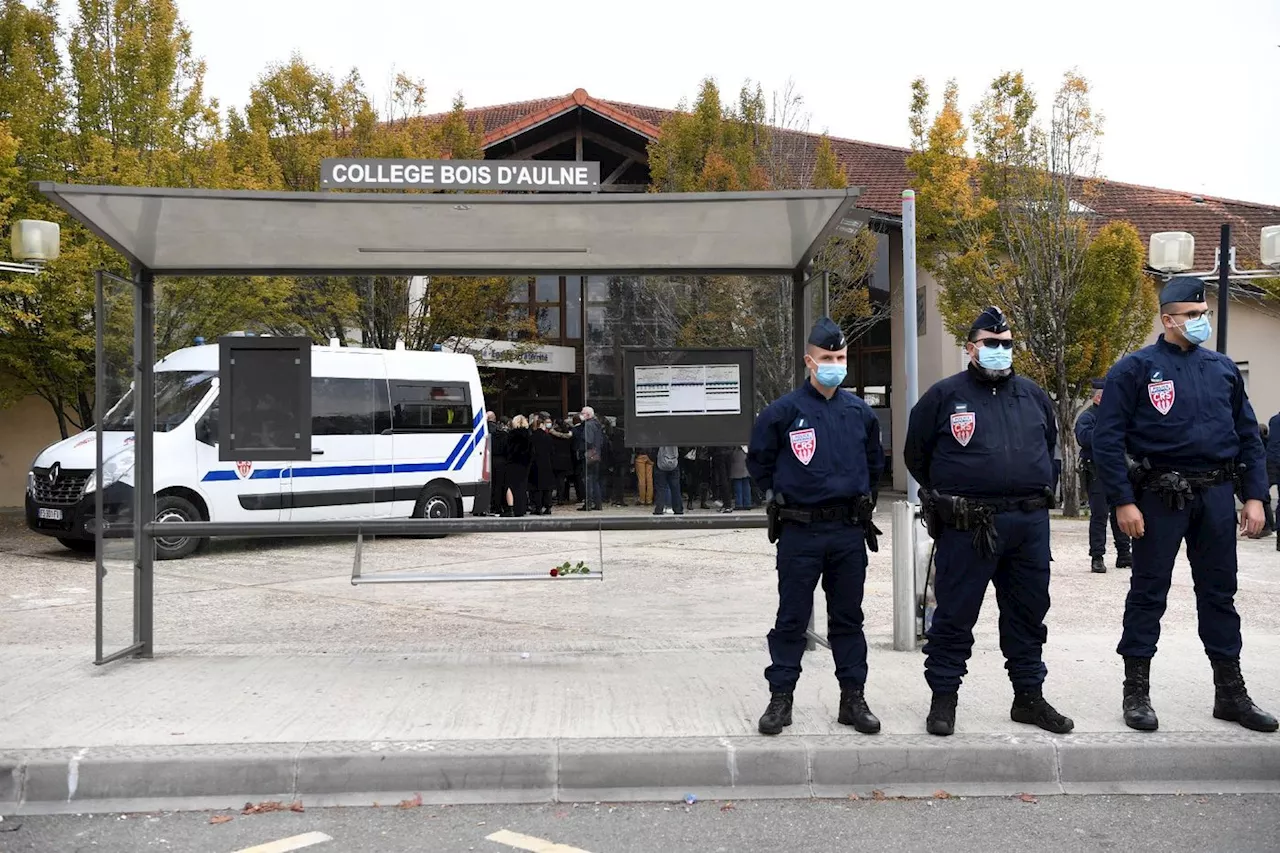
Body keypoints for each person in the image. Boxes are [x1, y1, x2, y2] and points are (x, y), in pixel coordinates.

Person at [1091, 277, 1276, 733]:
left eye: (1204, 313)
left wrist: (1254, 496)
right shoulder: (1135, 369)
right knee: (1148, 593)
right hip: (1158, 496)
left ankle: (1230, 694)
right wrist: (1123, 501)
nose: (1200, 321)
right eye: (1192, 315)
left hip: (1214, 495)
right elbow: (1107, 440)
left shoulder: (1223, 369)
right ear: (1167, 319)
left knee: (1219, 594)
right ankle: (1136, 692)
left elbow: (1248, 438)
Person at [904, 305, 1073, 737]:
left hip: (1028, 523)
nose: (1000, 350)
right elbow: (916, 456)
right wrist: (952, 496)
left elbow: (1048, 443)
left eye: (1006, 344)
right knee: (954, 616)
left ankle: (1029, 698)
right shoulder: (944, 396)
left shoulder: (1033, 395)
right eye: (991, 344)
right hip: (968, 525)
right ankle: (944, 698)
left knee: (1028, 615)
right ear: (970, 348)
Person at [748, 317, 884, 737]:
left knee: (848, 619)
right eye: (827, 357)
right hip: (800, 531)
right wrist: (783, 498)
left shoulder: (860, 413)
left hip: (847, 531)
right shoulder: (783, 412)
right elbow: (760, 463)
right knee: (791, 619)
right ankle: (781, 699)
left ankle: (853, 699)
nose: (835, 364)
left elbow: (875, 467)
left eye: (840, 357)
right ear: (810, 361)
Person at [1075, 378, 1132, 573]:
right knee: (1099, 515)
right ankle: (1097, 556)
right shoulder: (1087, 417)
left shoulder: (1115, 416)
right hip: (1096, 471)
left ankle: (1124, 553)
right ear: (1099, 397)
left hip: (1116, 469)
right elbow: (1084, 438)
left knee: (1121, 510)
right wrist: (1106, 434)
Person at [504, 415, 533, 518]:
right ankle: (522, 509)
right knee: (522, 487)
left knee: (511, 487)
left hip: (513, 464)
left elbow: (507, 450)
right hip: (524, 464)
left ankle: (513, 508)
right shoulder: (529, 435)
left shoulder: (511, 435)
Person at [578, 407, 605, 511]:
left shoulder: (588, 425)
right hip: (597, 454)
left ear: (587, 415)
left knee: (588, 480)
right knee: (595, 480)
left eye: (582, 413)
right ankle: (598, 504)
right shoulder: (597, 424)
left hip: (589, 455)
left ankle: (588, 504)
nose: (581, 415)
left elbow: (587, 441)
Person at [529, 417, 556, 515]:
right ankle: (548, 507)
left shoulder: (532, 437)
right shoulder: (548, 437)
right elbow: (552, 451)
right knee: (547, 488)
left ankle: (538, 507)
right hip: (547, 464)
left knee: (536, 488)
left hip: (535, 464)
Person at [653, 444, 683, 515]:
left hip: (660, 464)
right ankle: (678, 509)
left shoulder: (659, 436)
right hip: (674, 464)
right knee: (676, 488)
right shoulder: (675, 437)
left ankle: (659, 509)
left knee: (661, 488)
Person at [1265, 413, 1279, 544]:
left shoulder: (1274, 420)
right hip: (1274, 461)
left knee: (1262, 495)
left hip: (1270, 462)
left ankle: (1268, 526)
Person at [730, 444, 751, 511]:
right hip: (746, 454)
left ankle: (739, 504)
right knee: (746, 482)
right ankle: (747, 503)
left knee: (738, 482)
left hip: (738, 454)